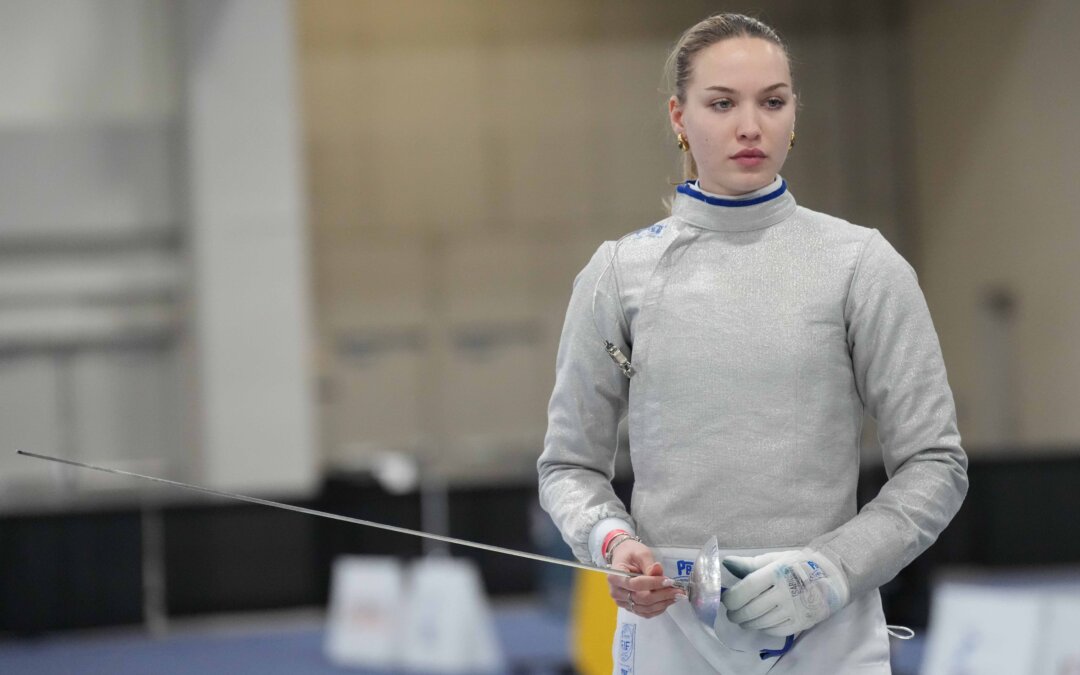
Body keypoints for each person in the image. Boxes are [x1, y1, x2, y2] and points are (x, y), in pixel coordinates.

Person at [536, 12, 968, 674]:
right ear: (679, 117)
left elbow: (935, 463)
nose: (749, 125)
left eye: (772, 101)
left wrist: (833, 568)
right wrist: (612, 543)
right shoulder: (617, 274)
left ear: (794, 116)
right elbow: (570, 466)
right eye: (722, 103)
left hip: (825, 629)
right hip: (669, 632)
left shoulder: (860, 264)